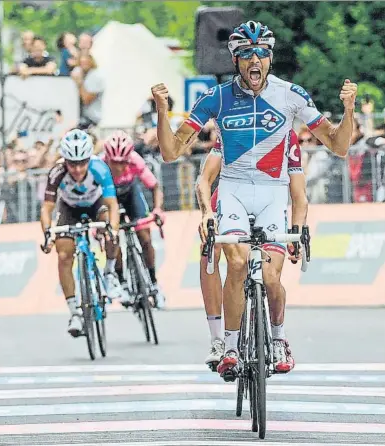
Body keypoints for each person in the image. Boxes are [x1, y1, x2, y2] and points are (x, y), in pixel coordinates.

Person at [151, 20, 357, 381]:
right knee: (237, 260)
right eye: (246, 54)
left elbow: (338, 145)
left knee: (274, 278)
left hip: (272, 193)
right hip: (232, 190)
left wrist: (349, 108)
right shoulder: (216, 98)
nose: (254, 59)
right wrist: (161, 109)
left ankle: (278, 339)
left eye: (261, 52)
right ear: (235, 60)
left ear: (270, 58)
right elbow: (170, 153)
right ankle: (229, 346)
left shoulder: (292, 95)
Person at [198, 129, 308, 370]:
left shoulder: (286, 136)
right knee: (213, 252)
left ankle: (278, 338)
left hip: (270, 199)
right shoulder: (234, 127)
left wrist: (297, 232)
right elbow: (206, 179)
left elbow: (299, 195)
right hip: (231, 198)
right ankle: (220, 339)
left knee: (270, 277)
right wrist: (207, 214)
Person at [40, 129, 121, 337]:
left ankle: (110, 272)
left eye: (82, 163)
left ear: (89, 158)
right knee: (64, 255)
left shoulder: (100, 168)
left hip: (97, 205)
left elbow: (112, 205)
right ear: (65, 160)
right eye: (72, 164)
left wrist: (112, 229)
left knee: (112, 231)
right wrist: (47, 234)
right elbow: (47, 208)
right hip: (69, 209)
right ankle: (74, 312)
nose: (77, 169)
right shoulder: (57, 171)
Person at [99, 130, 166, 309]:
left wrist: (158, 209)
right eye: (115, 163)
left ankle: (153, 283)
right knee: (112, 237)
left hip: (130, 194)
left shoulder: (136, 160)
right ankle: (122, 283)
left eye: (123, 162)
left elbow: (154, 186)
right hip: (108, 198)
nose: (119, 167)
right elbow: (95, 200)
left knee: (145, 237)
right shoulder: (99, 166)